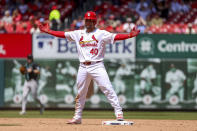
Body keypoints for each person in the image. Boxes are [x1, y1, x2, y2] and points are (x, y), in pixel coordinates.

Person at [38, 11, 140, 124]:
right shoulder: (78, 33)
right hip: (83, 66)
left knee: (107, 88)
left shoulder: (101, 33)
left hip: (97, 65)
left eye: (90, 20)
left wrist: (129, 35)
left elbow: (115, 37)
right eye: (87, 20)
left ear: (95, 22)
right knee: (81, 93)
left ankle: (119, 113)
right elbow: (63, 34)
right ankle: (77, 117)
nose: (88, 22)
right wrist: (49, 31)